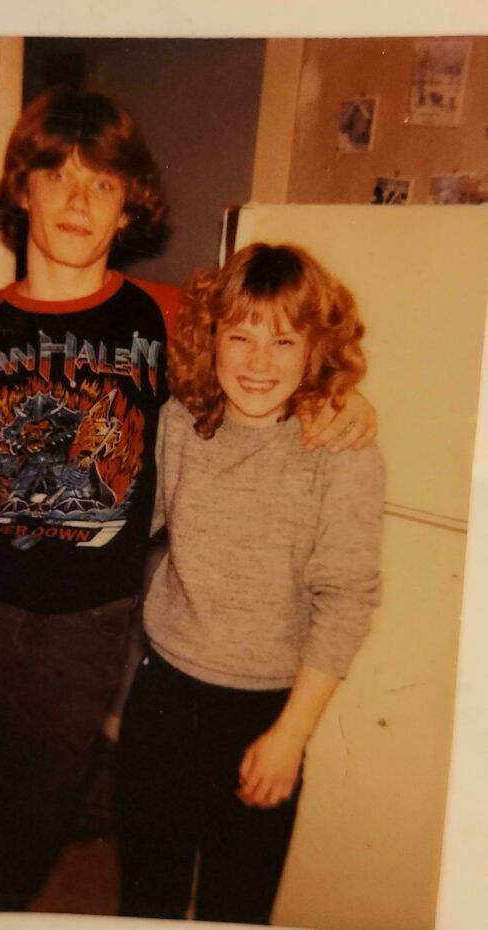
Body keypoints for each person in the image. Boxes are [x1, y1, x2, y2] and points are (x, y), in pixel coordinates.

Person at [0, 87, 377, 912]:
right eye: (59, 176)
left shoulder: (171, 316)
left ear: (129, 204)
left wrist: (341, 400)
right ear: (24, 190)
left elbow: (269, 349)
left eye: (103, 183)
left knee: (18, 856)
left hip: (86, 631)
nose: (79, 202)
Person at [117, 242, 385, 926]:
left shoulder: (339, 450)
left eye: (284, 340)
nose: (259, 362)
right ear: (212, 338)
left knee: (237, 910)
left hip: (265, 715)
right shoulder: (177, 423)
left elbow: (346, 600)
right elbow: (122, 522)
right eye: (240, 336)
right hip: (163, 698)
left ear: (314, 348)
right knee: (144, 902)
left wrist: (290, 736)